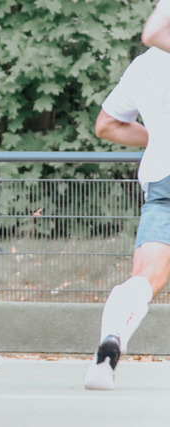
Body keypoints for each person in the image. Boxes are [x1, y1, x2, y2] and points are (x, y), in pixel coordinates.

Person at [83, 38, 170, 389]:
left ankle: (112, 342)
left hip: (164, 179)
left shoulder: (145, 65)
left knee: (144, 278)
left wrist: (159, 137)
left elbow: (106, 125)